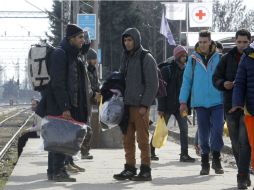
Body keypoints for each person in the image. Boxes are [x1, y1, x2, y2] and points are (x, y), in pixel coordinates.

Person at [44, 24, 91, 182]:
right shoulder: (61, 54)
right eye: (80, 37)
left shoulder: (71, 54)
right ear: (71, 38)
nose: (82, 41)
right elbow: (58, 83)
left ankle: (53, 171)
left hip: (64, 103)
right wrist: (65, 106)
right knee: (61, 138)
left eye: (83, 37)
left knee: (58, 138)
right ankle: (58, 171)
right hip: (60, 104)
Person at [113, 27, 158, 181]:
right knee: (127, 140)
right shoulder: (125, 57)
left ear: (136, 40)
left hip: (140, 107)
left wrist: (145, 105)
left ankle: (146, 170)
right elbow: (121, 80)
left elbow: (153, 84)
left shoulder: (146, 58)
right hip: (126, 107)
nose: (127, 43)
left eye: (130, 39)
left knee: (143, 140)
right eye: (125, 40)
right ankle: (130, 168)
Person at [179, 30, 224, 175]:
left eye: (205, 42)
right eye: (200, 42)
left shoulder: (220, 58)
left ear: (210, 42)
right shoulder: (192, 60)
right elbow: (186, 81)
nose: (203, 44)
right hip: (200, 103)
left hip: (218, 101)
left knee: (218, 130)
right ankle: (205, 163)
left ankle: (216, 158)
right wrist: (183, 101)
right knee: (203, 134)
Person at [213, 29, 251, 189]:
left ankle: (241, 176)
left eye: (245, 42)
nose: (242, 45)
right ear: (235, 41)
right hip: (230, 107)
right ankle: (244, 172)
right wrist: (223, 84)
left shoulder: (251, 57)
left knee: (245, 142)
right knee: (235, 143)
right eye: (239, 41)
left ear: (250, 42)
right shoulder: (226, 59)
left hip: (248, 107)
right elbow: (215, 78)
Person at [150, 45, 195, 163]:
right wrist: (161, 107)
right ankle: (151, 151)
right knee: (160, 129)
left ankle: (184, 154)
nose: (184, 57)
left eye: (185, 55)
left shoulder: (187, 70)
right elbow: (161, 90)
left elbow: (188, 90)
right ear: (176, 56)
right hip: (167, 107)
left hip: (181, 107)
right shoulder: (167, 70)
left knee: (184, 129)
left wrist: (188, 107)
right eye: (181, 55)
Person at [231, 39, 254, 189]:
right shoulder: (248, 56)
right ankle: (242, 176)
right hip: (251, 109)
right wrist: (237, 103)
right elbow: (239, 82)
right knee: (245, 144)